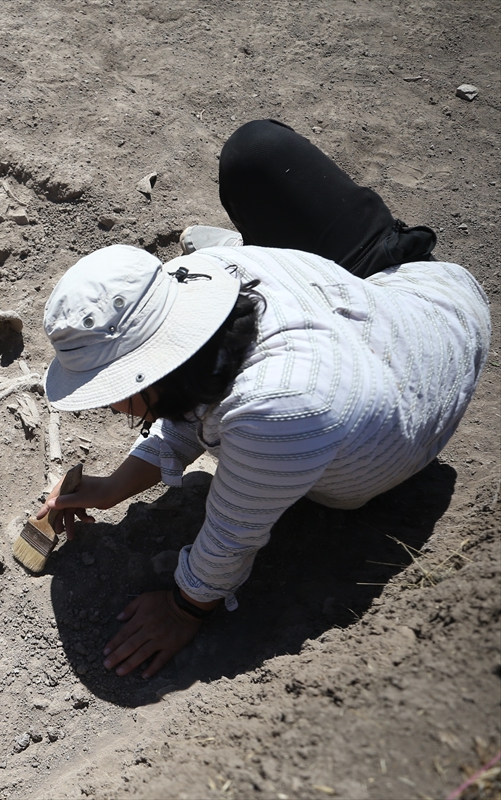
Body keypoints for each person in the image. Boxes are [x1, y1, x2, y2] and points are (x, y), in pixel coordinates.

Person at [36, 119, 490, 679]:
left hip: (429, 322)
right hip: (385, 299)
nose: (109, 406)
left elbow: (229, 538)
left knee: (255, 152)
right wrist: (112, 488)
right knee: (262, 158)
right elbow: (185, 399)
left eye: (118, 387)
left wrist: (183, 609)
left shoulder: (279, 409)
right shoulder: (213, 280)